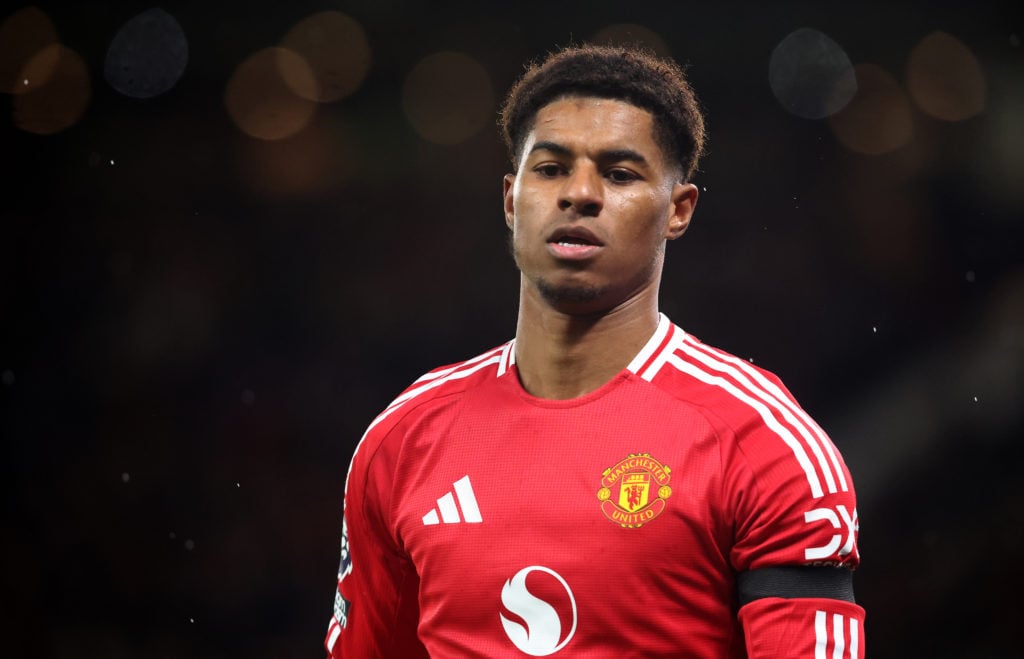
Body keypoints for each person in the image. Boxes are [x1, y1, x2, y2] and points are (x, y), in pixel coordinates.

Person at [324, 43, 864, 658]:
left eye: (619, 173)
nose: (579, 193)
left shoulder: (762, 444)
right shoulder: (403, 440)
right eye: (551, 168)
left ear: (678, 211)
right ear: (510, 198)